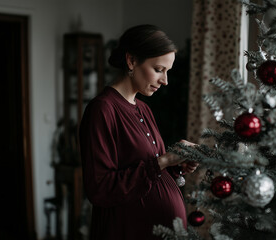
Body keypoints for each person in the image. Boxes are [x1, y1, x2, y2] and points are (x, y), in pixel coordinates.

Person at [79, 24, 199, 240]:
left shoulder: (143, 108)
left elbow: (147, 171)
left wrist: (175, 164)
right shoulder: (103, 109)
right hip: (127, 229)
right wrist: (163, 161)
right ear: (132, 61)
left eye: (167, 72)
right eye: (158, 70)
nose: (165, 81)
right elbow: (100, 188)